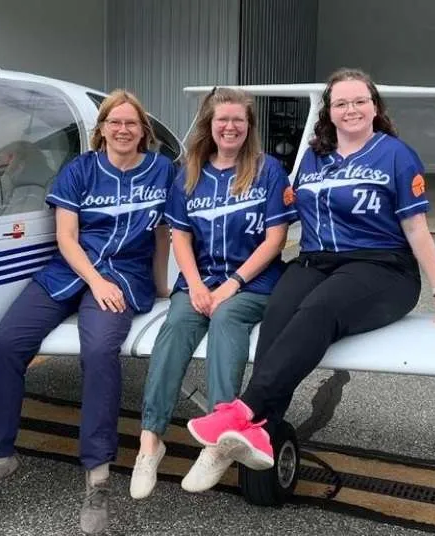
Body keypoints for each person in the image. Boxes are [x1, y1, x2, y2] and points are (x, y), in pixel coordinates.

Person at [186, 68, 435, 477]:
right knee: (278, 315)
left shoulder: (396, 154)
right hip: (316, 261)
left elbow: (416, 228)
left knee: (317, 311)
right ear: (329, 112)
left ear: (375, 107)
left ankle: (242, 412)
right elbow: (280, 217)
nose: (351, 109)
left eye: (359, 101)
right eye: (341, 103)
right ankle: (260, 433)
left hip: (381, 266)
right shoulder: (314, 158)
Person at [0, 89, 175, 535]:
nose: (124, 130)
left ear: (143, 131)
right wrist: (95, 280)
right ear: (103, 130)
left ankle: (97, 477)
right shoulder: (79, 170)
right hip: (71, 272)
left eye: (132, 123)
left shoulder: (164, 171)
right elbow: (67, 238)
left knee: (98, 353)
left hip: (125, 276)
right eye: (116, 122)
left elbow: (166, 234)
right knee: (7, 342)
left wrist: (161, 285)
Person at [129, 88, 297, 500]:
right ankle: (150, 441)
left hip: (252, 283)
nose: (230, 126)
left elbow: (275, 239)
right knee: (175, 329)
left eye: (239, 120)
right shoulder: (188, 171)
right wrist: (198, 285)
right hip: (199, 281)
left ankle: (221, 438)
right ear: (209, 124)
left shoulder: (267, 169)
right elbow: (180, 238)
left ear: (249, 126)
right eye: (222, 119)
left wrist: (232, 284)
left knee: (227, 320)